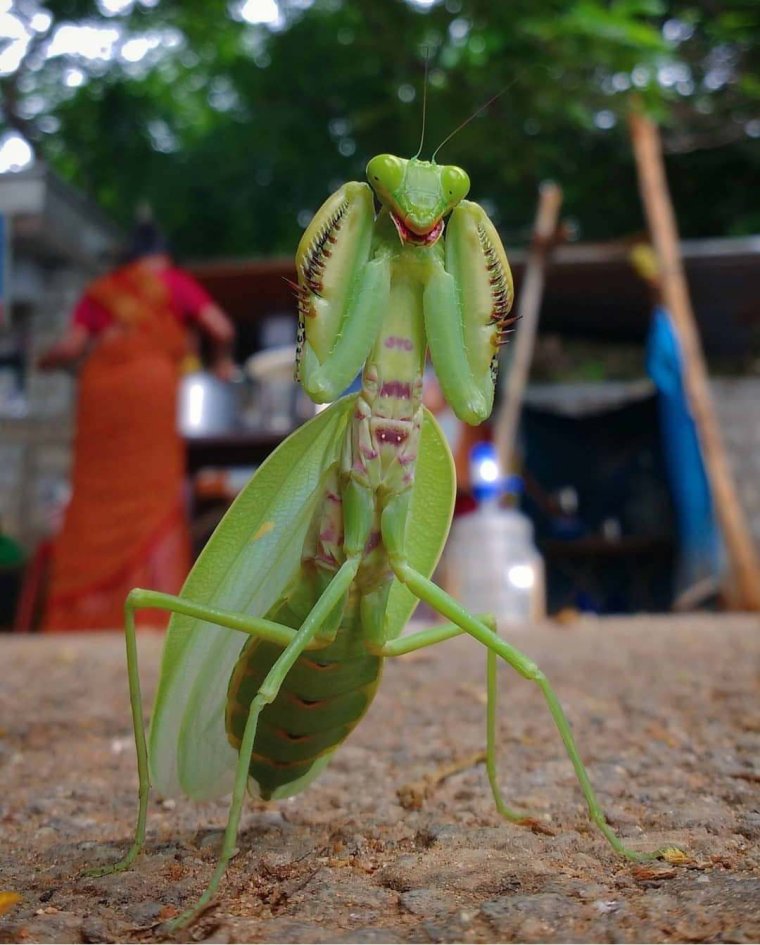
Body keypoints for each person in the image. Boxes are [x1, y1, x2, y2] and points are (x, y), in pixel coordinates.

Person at [38, 219, 235, 630]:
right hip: (150, 390)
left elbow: (72, 346)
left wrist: (44, 360)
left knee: (96, 495)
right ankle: (150, 611)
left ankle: (86, 614)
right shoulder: (175, 283)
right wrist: (221, 363)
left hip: (101, 394)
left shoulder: (104, 289)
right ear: (164, 256)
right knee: (153, 492)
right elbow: (221, 327)